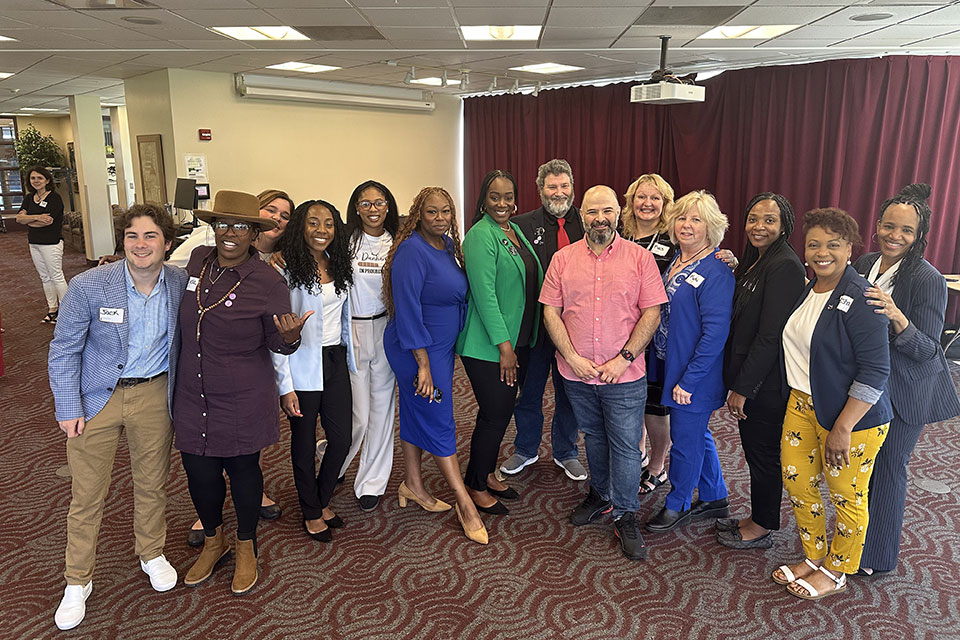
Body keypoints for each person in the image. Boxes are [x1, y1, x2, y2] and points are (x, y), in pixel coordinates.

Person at [48, 203, 189, 631]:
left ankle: (151, 552)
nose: (140, 245)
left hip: (153, 395)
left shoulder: (181, 283)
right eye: (132, 236)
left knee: (152, 483)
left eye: (150, 237)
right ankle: (77, 580)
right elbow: (64, 348)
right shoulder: (89, 285)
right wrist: (68, 405)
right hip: (98, 399)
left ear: (167, 243)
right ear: (122, 241)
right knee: (87, 494)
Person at [174, 190, 309, 595]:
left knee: (243, 472)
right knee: (199, 473)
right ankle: (214, 541)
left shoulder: (268, 283)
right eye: (222, 224)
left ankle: (246, 544)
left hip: (241, 394)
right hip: (192, 390)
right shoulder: (198, 261)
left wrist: (289, 339)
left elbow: (278, 344)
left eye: (240, 227)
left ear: (255, 234)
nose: (229, 233)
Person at [540, 185, 667, 561]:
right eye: (593, 212)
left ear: (618, 213)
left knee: (627, 446)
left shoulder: (640, 259)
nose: (600, 218)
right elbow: (551, 311)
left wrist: (623, 358)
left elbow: (652, 312)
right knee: (593, 436)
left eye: (607, 211)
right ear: (583, 216)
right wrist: (572, 357)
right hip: (577, 373)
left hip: (623, 376)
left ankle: (626, 513)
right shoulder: (562, 260)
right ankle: (601, 494)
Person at [773, 207, 891, 600]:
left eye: (833, 245)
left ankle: (839, 569)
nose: (822, 252)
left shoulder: (863, 297)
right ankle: (813, 555)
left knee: (846, 495)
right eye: (814, 245)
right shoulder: (813, 288)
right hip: (803, 404)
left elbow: (875, 371)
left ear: (850, 248)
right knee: (798, 483)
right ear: (804, 251)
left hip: (852, 418)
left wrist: (842, 428)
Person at [853, 184, 960, 575]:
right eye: (888, 226)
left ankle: (875, 557)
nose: (895, 236)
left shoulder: (927, 278)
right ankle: (852, 539)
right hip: (866, 384)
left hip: (908, 390)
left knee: (888, 468)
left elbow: (930, 350)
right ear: (877, 224)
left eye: (906, 231)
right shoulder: (865, 263)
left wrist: (898, 318)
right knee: (860, 467)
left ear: (919, 236)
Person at [382, 186, 488, 544]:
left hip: (439, 348)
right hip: (415, 349)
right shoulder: (412, 251)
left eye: (446, 212)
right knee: (440, 417)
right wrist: (423, 365)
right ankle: (464, 503)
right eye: (432, 212)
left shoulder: (446, 247)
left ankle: (413, 484)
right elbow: (408, 309)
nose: (440, 218)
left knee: (416, 410)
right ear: (418, 214)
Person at [717, 193, 805, 549]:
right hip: (754, 379)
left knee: (763, 454)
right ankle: (757, 516)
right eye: (753, 218)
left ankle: (763, 525)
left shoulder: (785, 265)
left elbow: (771, 335)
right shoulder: (759, 260)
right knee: (755, 452)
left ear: (784, 225)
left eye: (769, 220)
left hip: (766, 385)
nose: (759, 226)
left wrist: (744, 388)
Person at [645, 190, 735, 534]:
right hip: (671, 363)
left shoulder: (717, 270)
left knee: (684, 440)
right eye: (682, 217)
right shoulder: (677, 261)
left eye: (696, 219)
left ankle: (678, 502)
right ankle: (714, 496)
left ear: (710, 227)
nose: (686, 224)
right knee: (698, 434)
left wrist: (689, 381)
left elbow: (715, 334)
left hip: (695, 373)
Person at [457, 170, 543, 515]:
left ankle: (485, 472)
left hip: (517, 339)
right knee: (494, 415)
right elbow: (485, 296)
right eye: (495, 197)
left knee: (501, 412)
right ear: (483, 199)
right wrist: (505, 348)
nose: (503, 203)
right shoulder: (480, 236)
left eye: (508, 196)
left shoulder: (513, 230)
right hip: (489, 347)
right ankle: (476, 485)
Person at [273, 199, 356, 542]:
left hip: (335, 360)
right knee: (304, 442)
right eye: (313, 223)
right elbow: (277, 333)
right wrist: (285, 386)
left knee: (341, 438)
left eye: (329, 224)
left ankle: (320, 499)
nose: (322, 230)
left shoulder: (340, 264)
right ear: (300, 228)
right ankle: (311, 510)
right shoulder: (285, 269)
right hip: (301, 362)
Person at [500, 159, 587, 482]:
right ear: (540, 190)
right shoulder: (520, 225)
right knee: (530, 391)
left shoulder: (588, 222)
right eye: (552, 186)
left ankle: (566, 452)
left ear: (573, 188)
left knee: (570, 394)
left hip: (575, 329)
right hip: (534, 327)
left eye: (564, 186)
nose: (559, 192)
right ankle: (526, 448)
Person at [337, 180, 400, 512]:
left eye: (379, 203)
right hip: (353, 332)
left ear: (388, 206)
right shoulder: (345, 242)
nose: (373, 209)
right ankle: (332, 457)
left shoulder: (396, 243)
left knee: (382, 410)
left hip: (385, 329)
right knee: (358, 416)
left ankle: (371, 483)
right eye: (365, 203)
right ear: (356, 208)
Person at [619, 173, 677, 495]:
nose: (648, 203)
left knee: (655, 406)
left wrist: (727, 257)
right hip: (622, 331)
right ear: (631, 201)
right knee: (630, 399)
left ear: (665, 204)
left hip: (657, 336)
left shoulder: (675, 238)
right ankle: (637, 452)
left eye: (655, 198)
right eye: (642, 197)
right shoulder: (619, 234)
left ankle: (657, 466)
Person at [168, 188, 294, 267]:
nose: (277, 218)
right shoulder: (211, 240)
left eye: (285, 216)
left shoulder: (284, 258)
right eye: (271, 210)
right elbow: (172, 265)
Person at [16, 165, 67, 324]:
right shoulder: (29, 198)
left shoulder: (54, 198)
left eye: (39, 178)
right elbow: (18, 218)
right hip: (34, 242)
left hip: (51, 243)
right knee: (45, 278)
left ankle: (67, 310)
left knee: (56, 276)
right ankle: (52, 309)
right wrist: (37, 217)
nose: (36, 181)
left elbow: (47, 222)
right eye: (33, 178)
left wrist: (29, 219)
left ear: (47, 180)